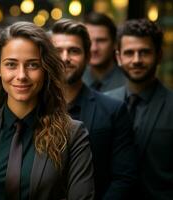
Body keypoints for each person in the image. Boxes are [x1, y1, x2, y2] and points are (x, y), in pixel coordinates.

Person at [0, 21, 95, 200]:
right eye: (11, 64)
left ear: (45, 69)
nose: (21, 75)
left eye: (32, 65)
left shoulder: (73, 134)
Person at [51, 19, 137, 200]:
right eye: (58, 51)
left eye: (74, 51)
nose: (65, 57)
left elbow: (123, 178)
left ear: (88, 57)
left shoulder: (113, 110)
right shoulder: (32, 107)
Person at [105, 19, 173, 200]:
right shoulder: (104, 103)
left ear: (159, 56)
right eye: (129, 53)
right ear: (118, 57)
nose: (136, 60)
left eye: (144, 52)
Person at [83, 12, 125, 92]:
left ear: (115, 43)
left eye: (101, 41)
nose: (94, 48)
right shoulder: (75, 80)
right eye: (89, 41)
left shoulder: (128, 84)